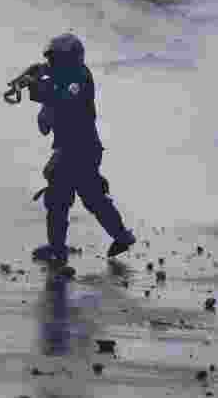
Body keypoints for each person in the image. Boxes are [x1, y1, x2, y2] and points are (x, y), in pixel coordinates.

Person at [26, 33, 136, 262]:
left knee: (64, 197)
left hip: (81, 149)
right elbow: (44, 125)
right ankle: (120, 237)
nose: (52, 64)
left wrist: (38, 87)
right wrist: (39, 81)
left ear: (70, 60)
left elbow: (64, 99)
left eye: (56, 60)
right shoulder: (62, 79)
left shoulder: (79, 79)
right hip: (74, 149)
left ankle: (58, 248)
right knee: (86, 195)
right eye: (51, 60)